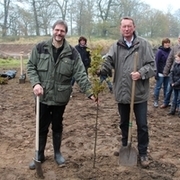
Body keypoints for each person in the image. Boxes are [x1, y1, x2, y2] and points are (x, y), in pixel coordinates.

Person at [27, 20, 97, 170]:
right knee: (42, 126)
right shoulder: (40, 48)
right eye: (57, 30)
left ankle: (57, 153)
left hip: (60, 98)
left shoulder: (72, 53)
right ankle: (39, 154)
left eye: (62, 31)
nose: (59, 33)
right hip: (42, 97)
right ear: (52, 30)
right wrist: (36, 83)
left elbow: (80, 74)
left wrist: (90, 92)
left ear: (65, 33)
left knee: (57, 125)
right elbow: (31, 66)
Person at [97, 17, 155, 168]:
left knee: (142, 125)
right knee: (123, 123)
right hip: (122, 93)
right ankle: (125, 146)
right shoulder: (116, 46)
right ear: (120, 28)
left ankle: (142, 153)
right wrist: (102, 68)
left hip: (139, 94)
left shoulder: (143, 45)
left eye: (129, 26)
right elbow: (108, 61)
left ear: (134, 27)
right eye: (124, 26)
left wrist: (141, 73)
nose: (127, 29)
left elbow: (152, 66)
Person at [161, 35, 180, 108]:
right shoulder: (174, 48)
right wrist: (165, 71)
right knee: (169, 89)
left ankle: (178, 107)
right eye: (179, 38)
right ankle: (166, 102)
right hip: (173, 72)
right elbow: (169, 60)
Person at [153, 38, 171, 107]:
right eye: (166, 43)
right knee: (158, 87)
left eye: (168, 43)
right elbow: (156, 62)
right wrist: (156, 72)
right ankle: (156, 101)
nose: (167, 44)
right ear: (163, 44)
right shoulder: (159, 51)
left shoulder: (170, 51)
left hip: (168, 72)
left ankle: (166, 101)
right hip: (160, 72)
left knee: (166, 87)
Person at [167, 51, 180, 117]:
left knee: (179, 99)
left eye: (177, 58)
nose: (176, 59)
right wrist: (172, 82)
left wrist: (175, 83)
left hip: (178, 85)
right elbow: (171, 73)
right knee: (174, 98)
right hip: (174, 84)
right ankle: (172, 111)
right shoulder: (175, 64)